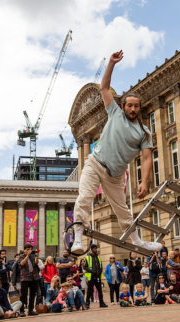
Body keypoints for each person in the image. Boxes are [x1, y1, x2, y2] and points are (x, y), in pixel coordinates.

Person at [70, 51, 161, 255]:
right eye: (129, 105)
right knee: (84, 198)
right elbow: (103, 87)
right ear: (123, 106)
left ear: (139, 109)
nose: (133, 109)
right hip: (95, 164)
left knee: (123, 210)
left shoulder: (144, 133)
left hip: (115, 176)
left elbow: (147, 158)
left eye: (136, 106)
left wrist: (145, 182)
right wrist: (111, 63)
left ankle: (137, 241)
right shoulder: (114, 112)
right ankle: (77, 238)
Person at [18, 244, 41, 316]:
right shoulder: (21, 257)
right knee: (23, 295)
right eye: (27, 249)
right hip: (25, 277)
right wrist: (27, 256)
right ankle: (22, 311)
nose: (29, 251)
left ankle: (30, 310)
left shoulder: (33, 256)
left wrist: (36, 257)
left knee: (33, 294)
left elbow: (36, 265)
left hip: (34, 277)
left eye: (30, 249)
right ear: (24, 250)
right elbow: (21, 264)